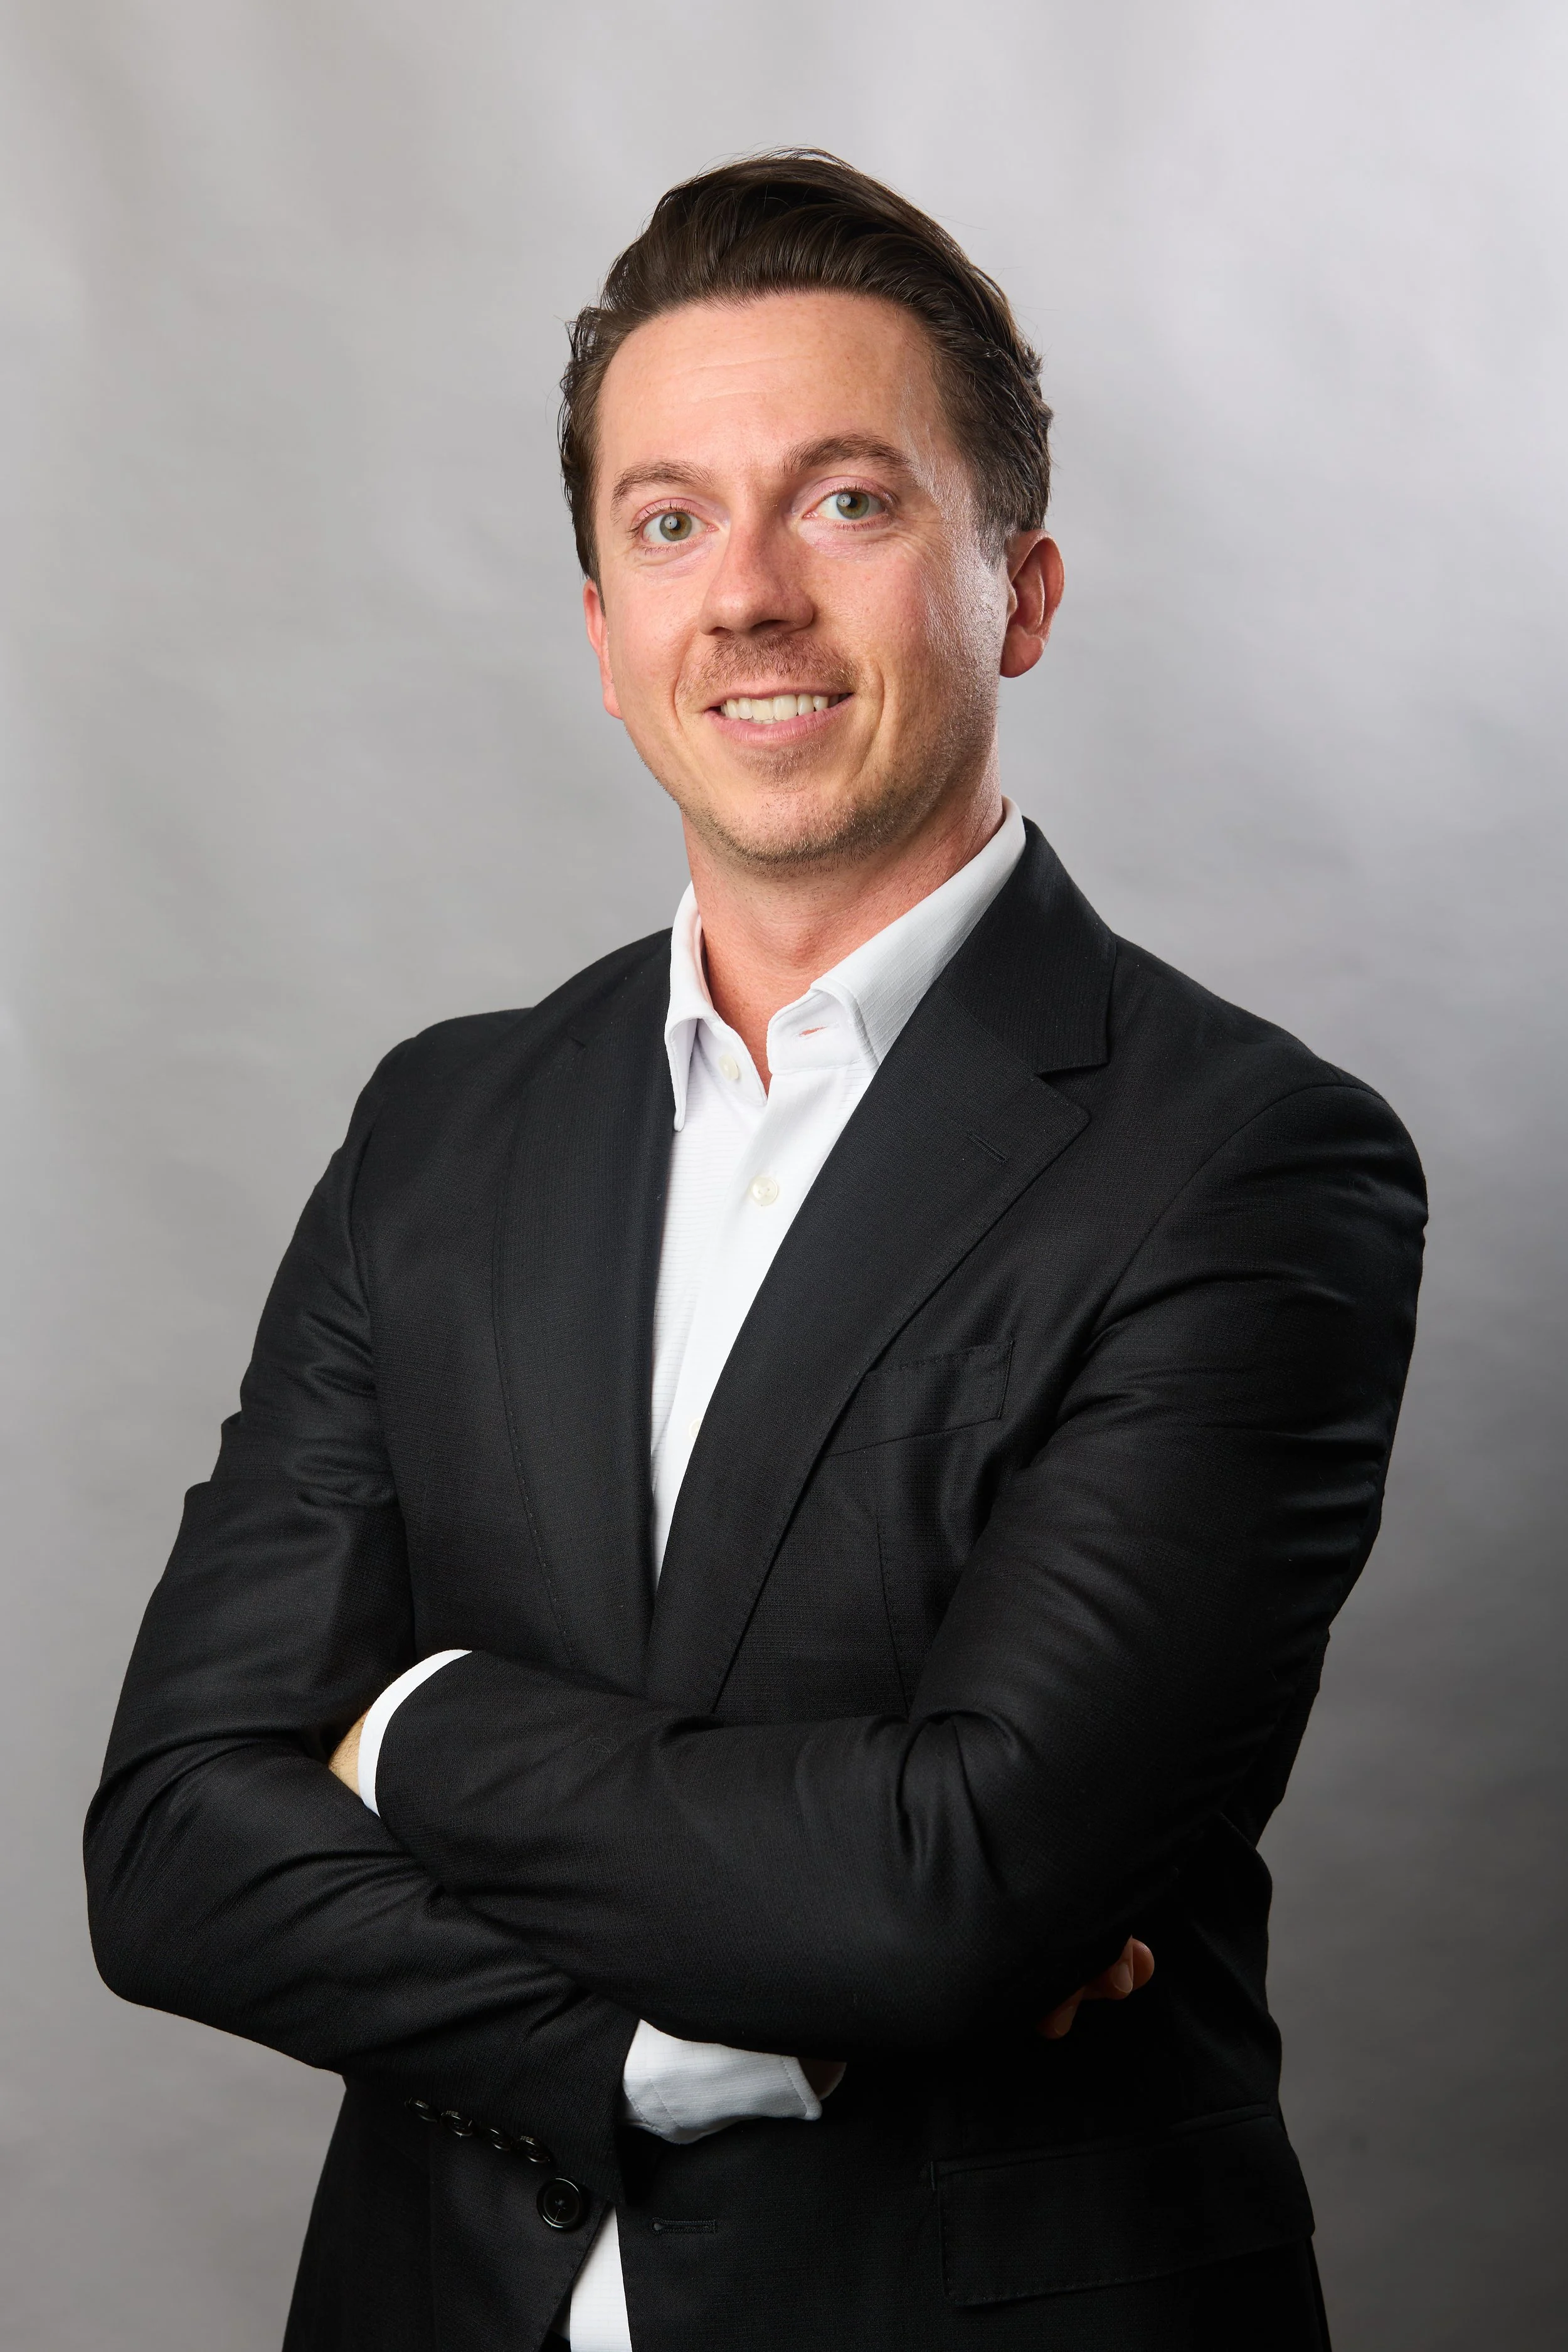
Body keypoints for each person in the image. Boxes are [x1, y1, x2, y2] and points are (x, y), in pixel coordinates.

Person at [85, 151, 1425, 2352]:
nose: (747, 598)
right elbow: (169, 1847)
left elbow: (947, 1893)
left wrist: (406, 1728)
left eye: (848, 502)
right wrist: (648, 2046)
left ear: (1018, 590)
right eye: (668, 521)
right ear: (603, 640)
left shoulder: (1246, 1161)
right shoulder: (440, 1129)